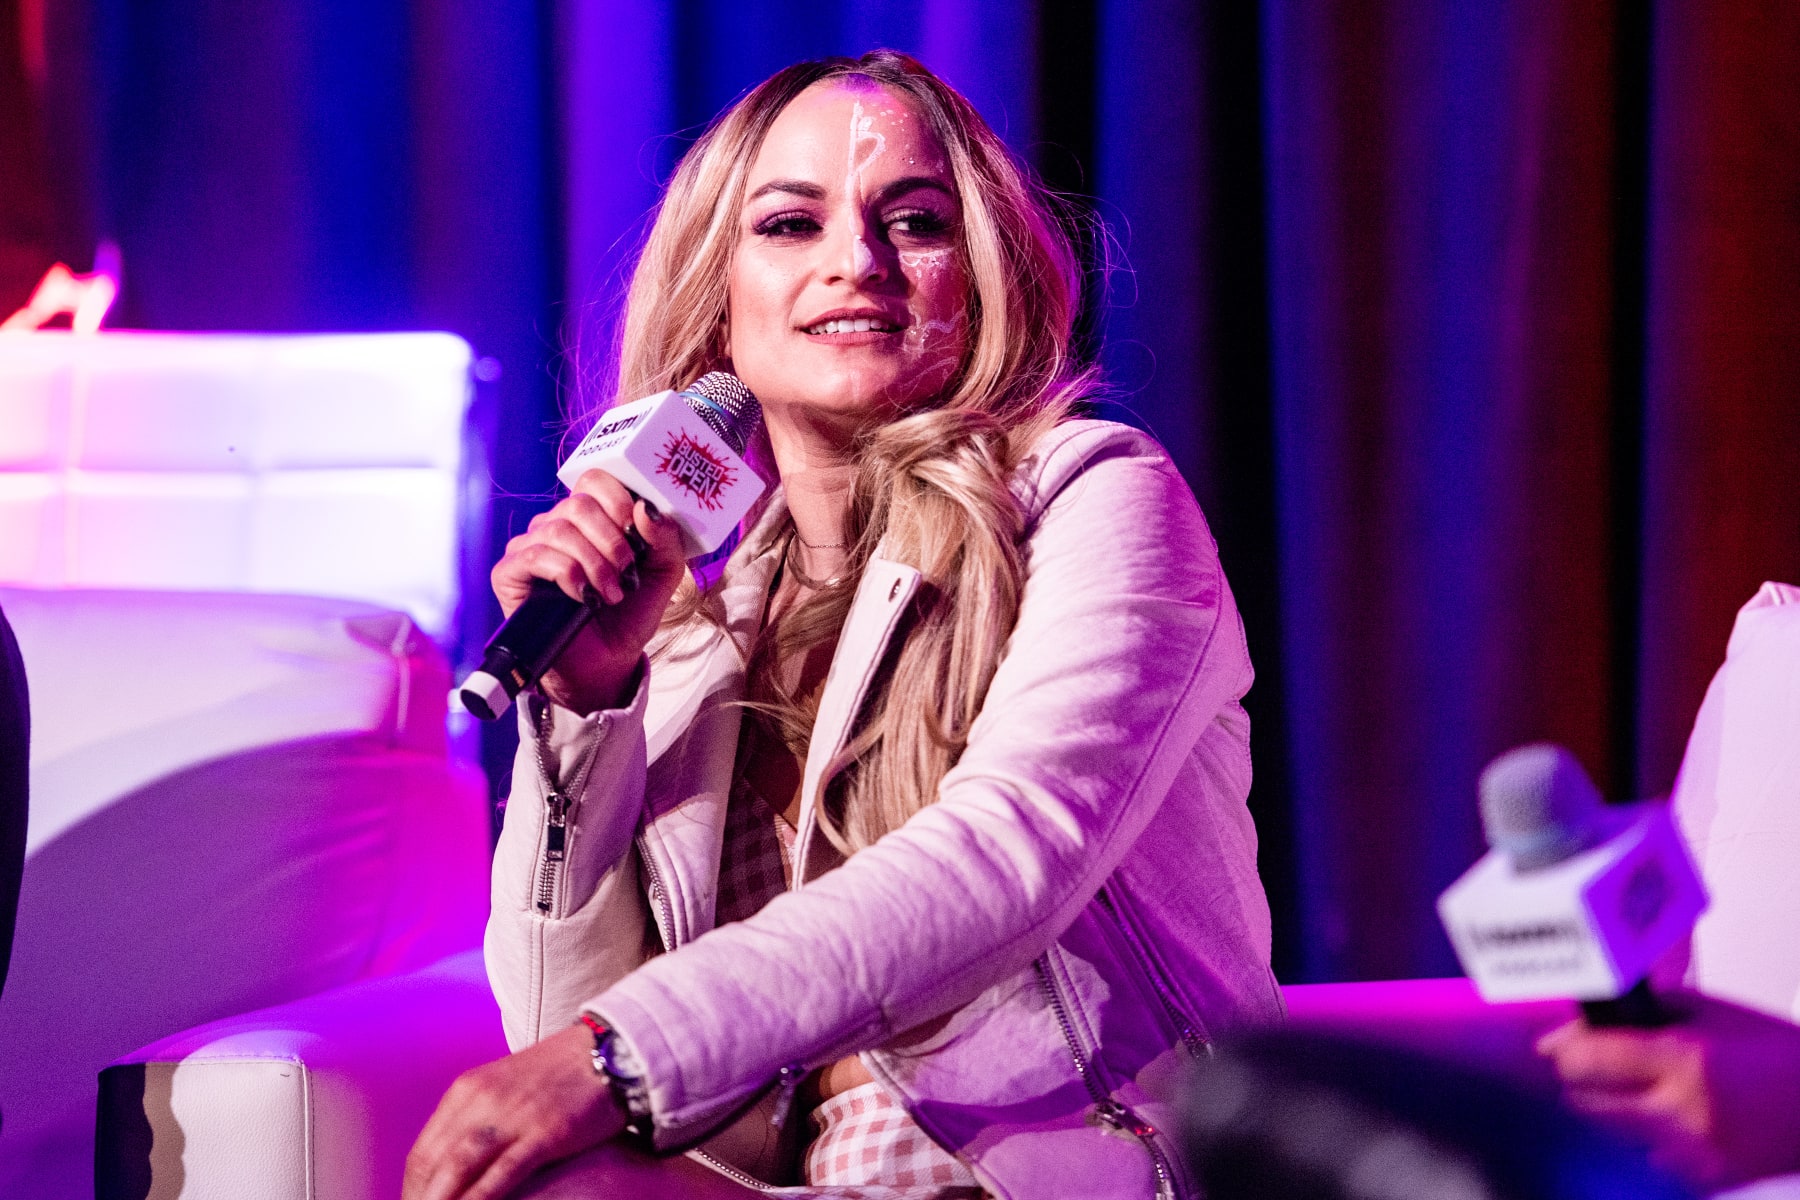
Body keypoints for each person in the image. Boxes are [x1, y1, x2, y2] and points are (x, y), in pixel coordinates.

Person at [405, 49, 1281, 1200]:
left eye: (913, 221)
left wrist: (620, 1054)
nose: (854, 264)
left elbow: (1015, 845)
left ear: (986, 273)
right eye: (789, 226)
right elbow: (554, 1026)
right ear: (720, 291)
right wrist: (584, 712)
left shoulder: (1095, 493)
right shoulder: (691, 620)